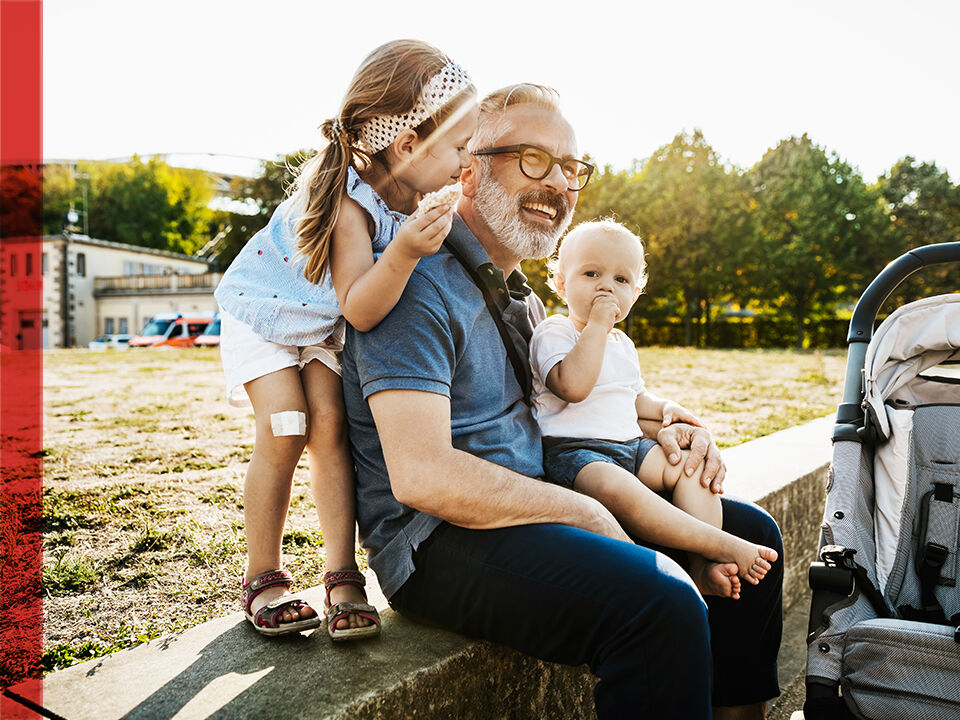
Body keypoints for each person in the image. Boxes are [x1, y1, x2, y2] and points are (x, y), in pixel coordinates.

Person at [342, 82, 782, 718]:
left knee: (753, 533)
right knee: (658, 600)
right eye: (532, 159)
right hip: (439, 540)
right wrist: (583, 513)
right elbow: (422, 476)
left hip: (534, 495)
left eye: (571, 168)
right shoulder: (413, 281)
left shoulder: (520, 297)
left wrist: (675, 429)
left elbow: (581, 399)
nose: (558, 184)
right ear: (467, 170)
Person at [214, 39, 477, 640]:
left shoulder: (405, 194)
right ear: (407, 145)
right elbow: (360, 306)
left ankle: (340, 573)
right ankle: (265, 576)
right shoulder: (349, 202)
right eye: (460, 148)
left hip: (317, 322)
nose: (467, 164)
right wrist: (407, 250)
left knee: (330, 426)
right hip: (267, 311)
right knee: (287, 427)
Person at [532, 219, 779, 600]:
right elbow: (572, 387)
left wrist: (668, 408)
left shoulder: (622, 344)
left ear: (636, 291)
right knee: (619, 489)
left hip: (630, 446)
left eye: (621, 279)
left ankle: (701, 564)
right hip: (575, 453)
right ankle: (720, 543)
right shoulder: (556, 331)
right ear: (561, 283)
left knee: (689, 468)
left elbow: (635, 399)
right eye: (591, 273)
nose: (605, 286)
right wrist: (596, 326)